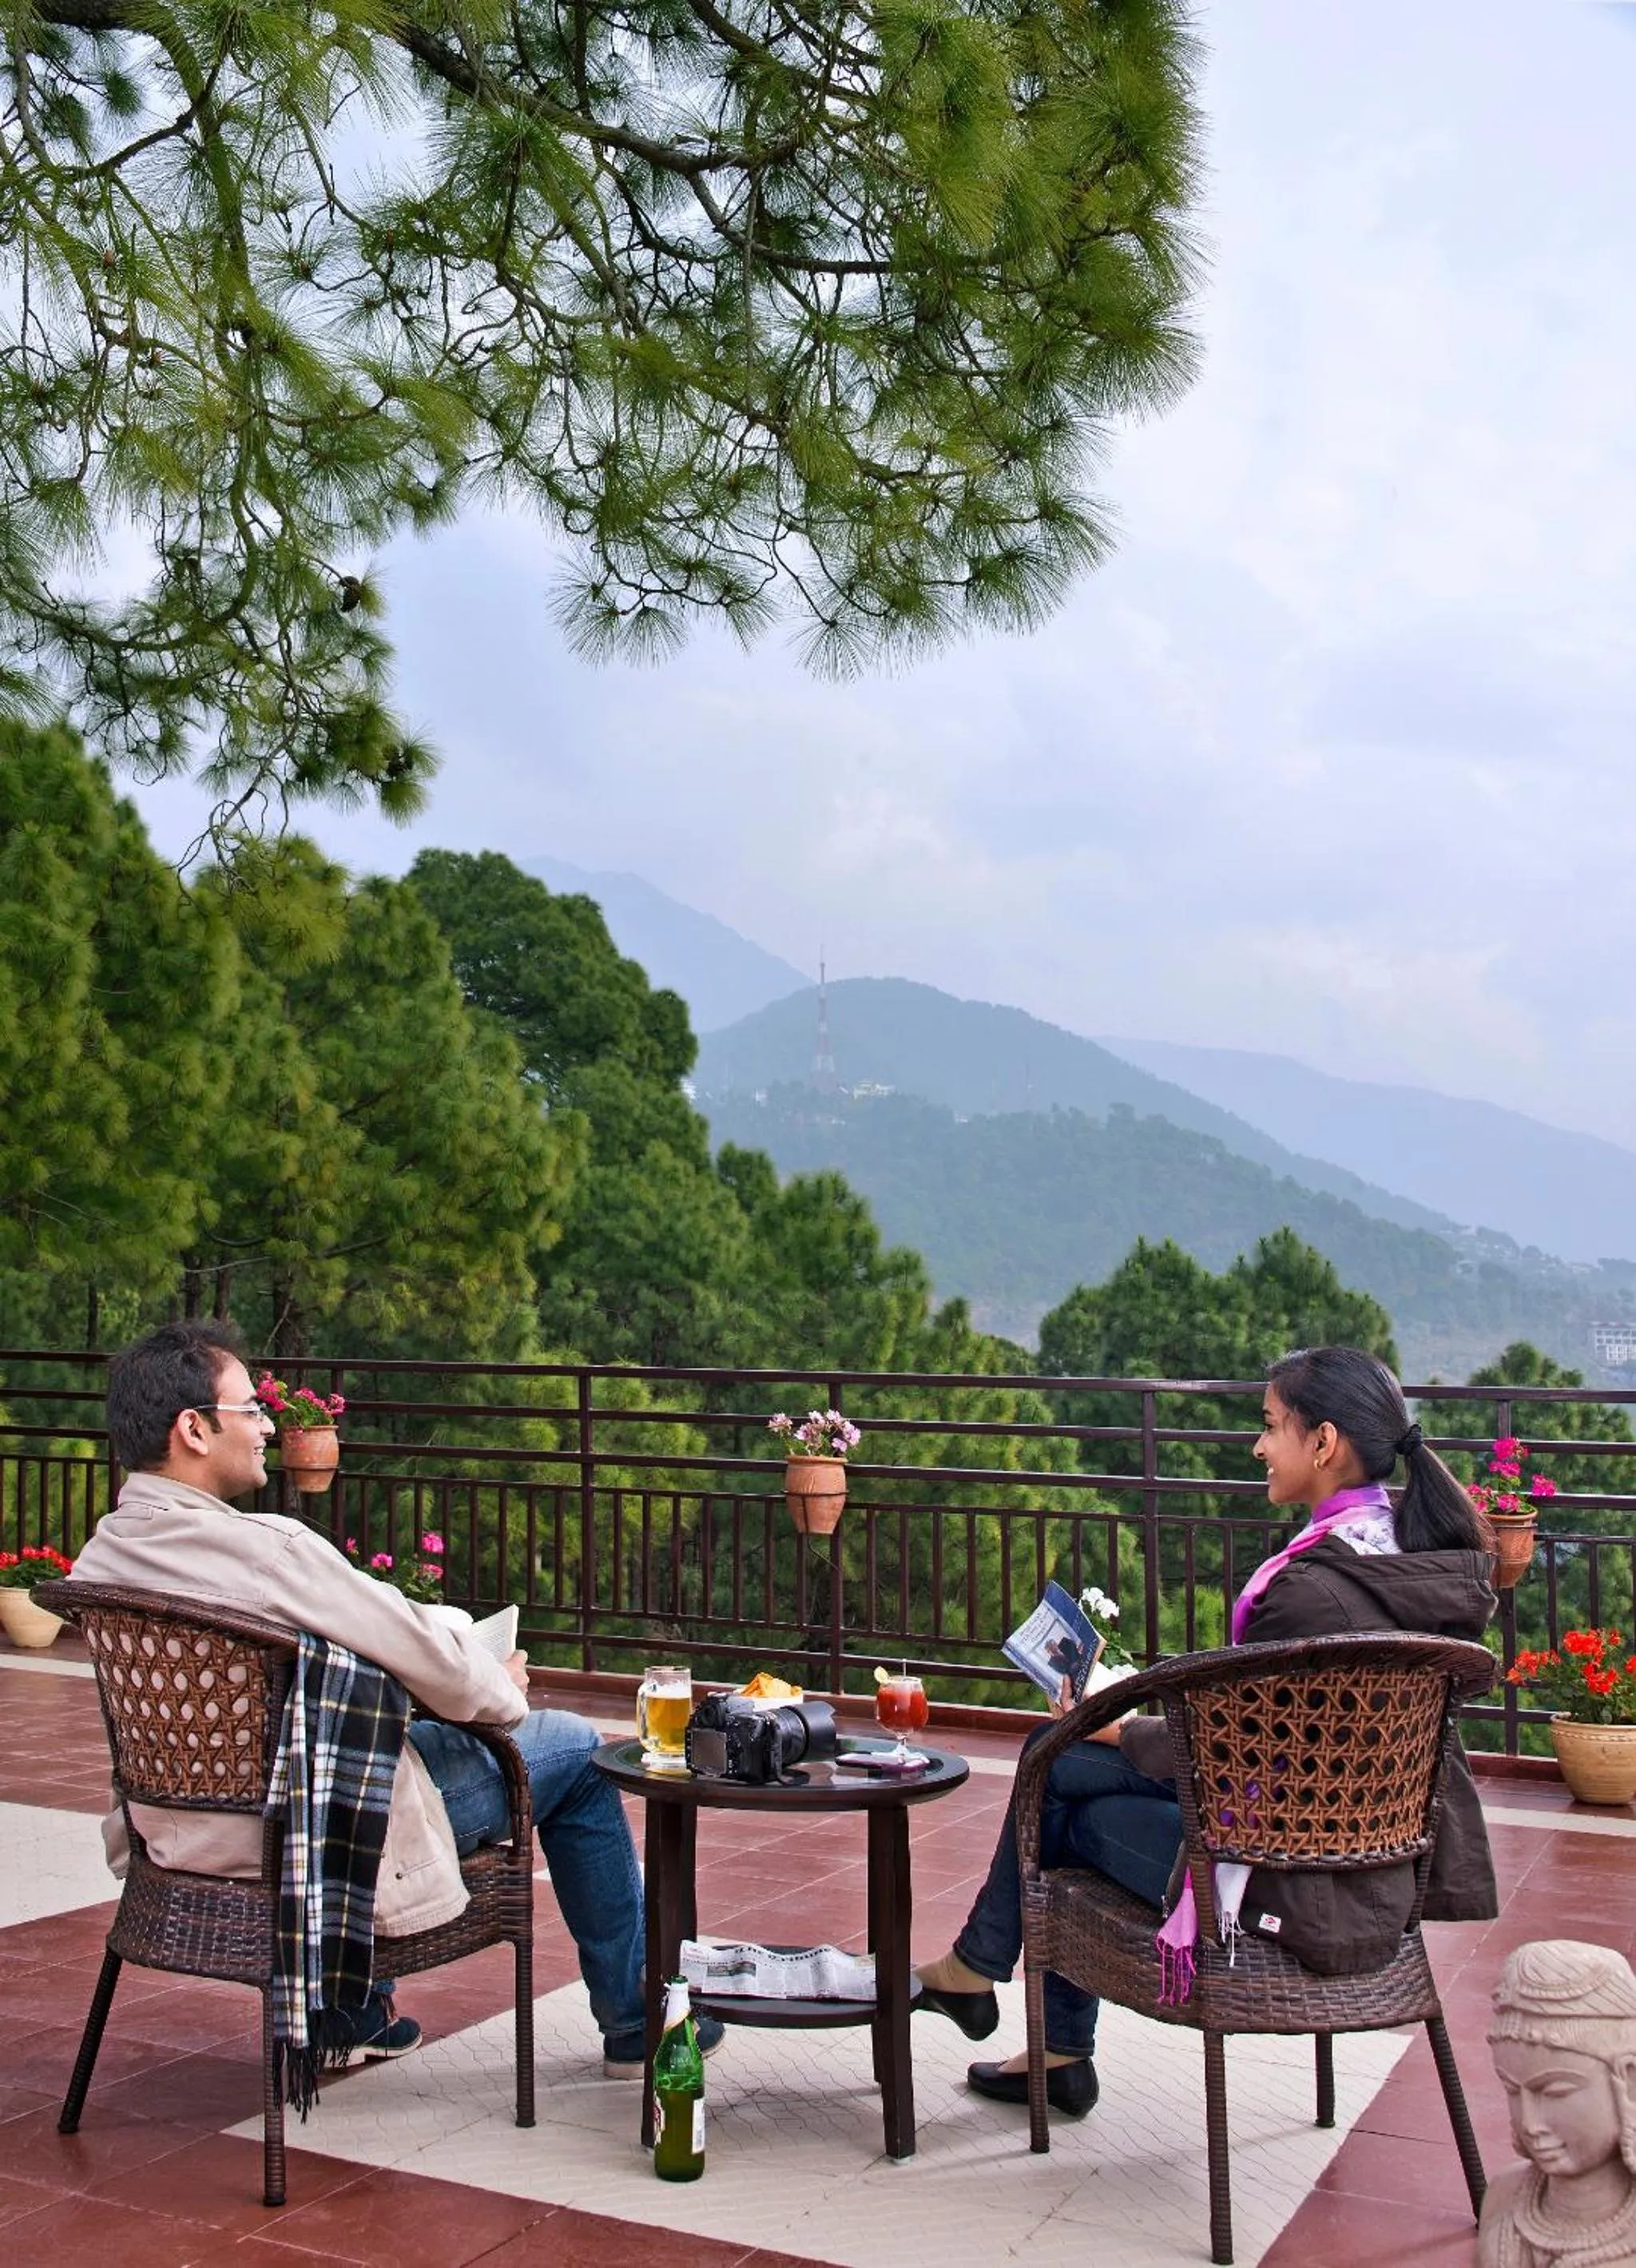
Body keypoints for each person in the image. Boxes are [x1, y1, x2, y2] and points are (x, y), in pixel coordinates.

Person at [70, 1320, 691, 2076]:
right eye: (250, 1410)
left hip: (178, 1838)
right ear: (193, 1429)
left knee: (347, 1737)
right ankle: (637, 2021)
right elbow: (448, 1674)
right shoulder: (267, 1551)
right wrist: (502, 1685)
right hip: (302, 1840)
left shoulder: (102, 1556)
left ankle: (348, 2012)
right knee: (576, 1750)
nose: (268, 1425)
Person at [913, 1344, 1499, 2119]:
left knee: (1062, 1791)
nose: (1257, 1445)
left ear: (1321, 1443)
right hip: (1368, 1868)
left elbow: (1229, 1751)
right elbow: (1268, 1738)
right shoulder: (1404, 1557)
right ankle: (996, 1992)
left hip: (1280, 1878)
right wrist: (1119, 1725)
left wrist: (1120, 1731)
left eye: (1268, 1426)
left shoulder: (1314, 1591)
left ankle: (1007, 1998)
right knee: (1049, 1757)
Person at [1479, 1938, 1636, 2268]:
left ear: (1630, 2081)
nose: (1531, 2124)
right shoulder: (1504, 2197)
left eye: (1555, 2093)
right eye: (1512, 2090)